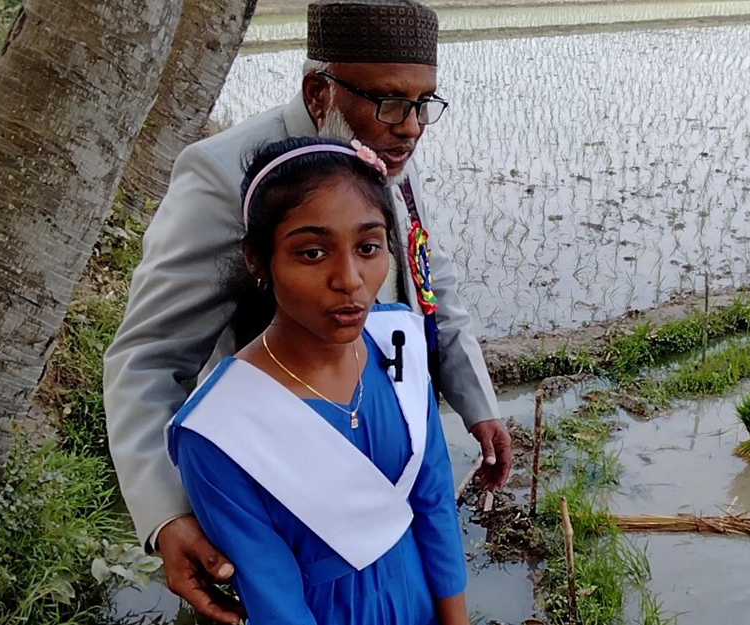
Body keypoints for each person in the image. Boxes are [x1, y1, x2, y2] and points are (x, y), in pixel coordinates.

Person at [103, 1, 509, 621]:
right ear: (320, 91)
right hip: (283, 480)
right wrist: (167, 515)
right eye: (391, 100)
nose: (412, 126)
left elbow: (429, 279)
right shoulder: (223, 176)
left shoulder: (382, 149)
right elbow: (146, 359)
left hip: (386, 425)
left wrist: (476, 403)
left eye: (425, 103)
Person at [167, 137, 468, 624]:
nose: (349, 278)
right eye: (312, 253)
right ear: (257, 259)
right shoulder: (218, 431)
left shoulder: (399, 345)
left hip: (420, 600)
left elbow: (433, 502)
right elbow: (274, 596)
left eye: (368, 247)